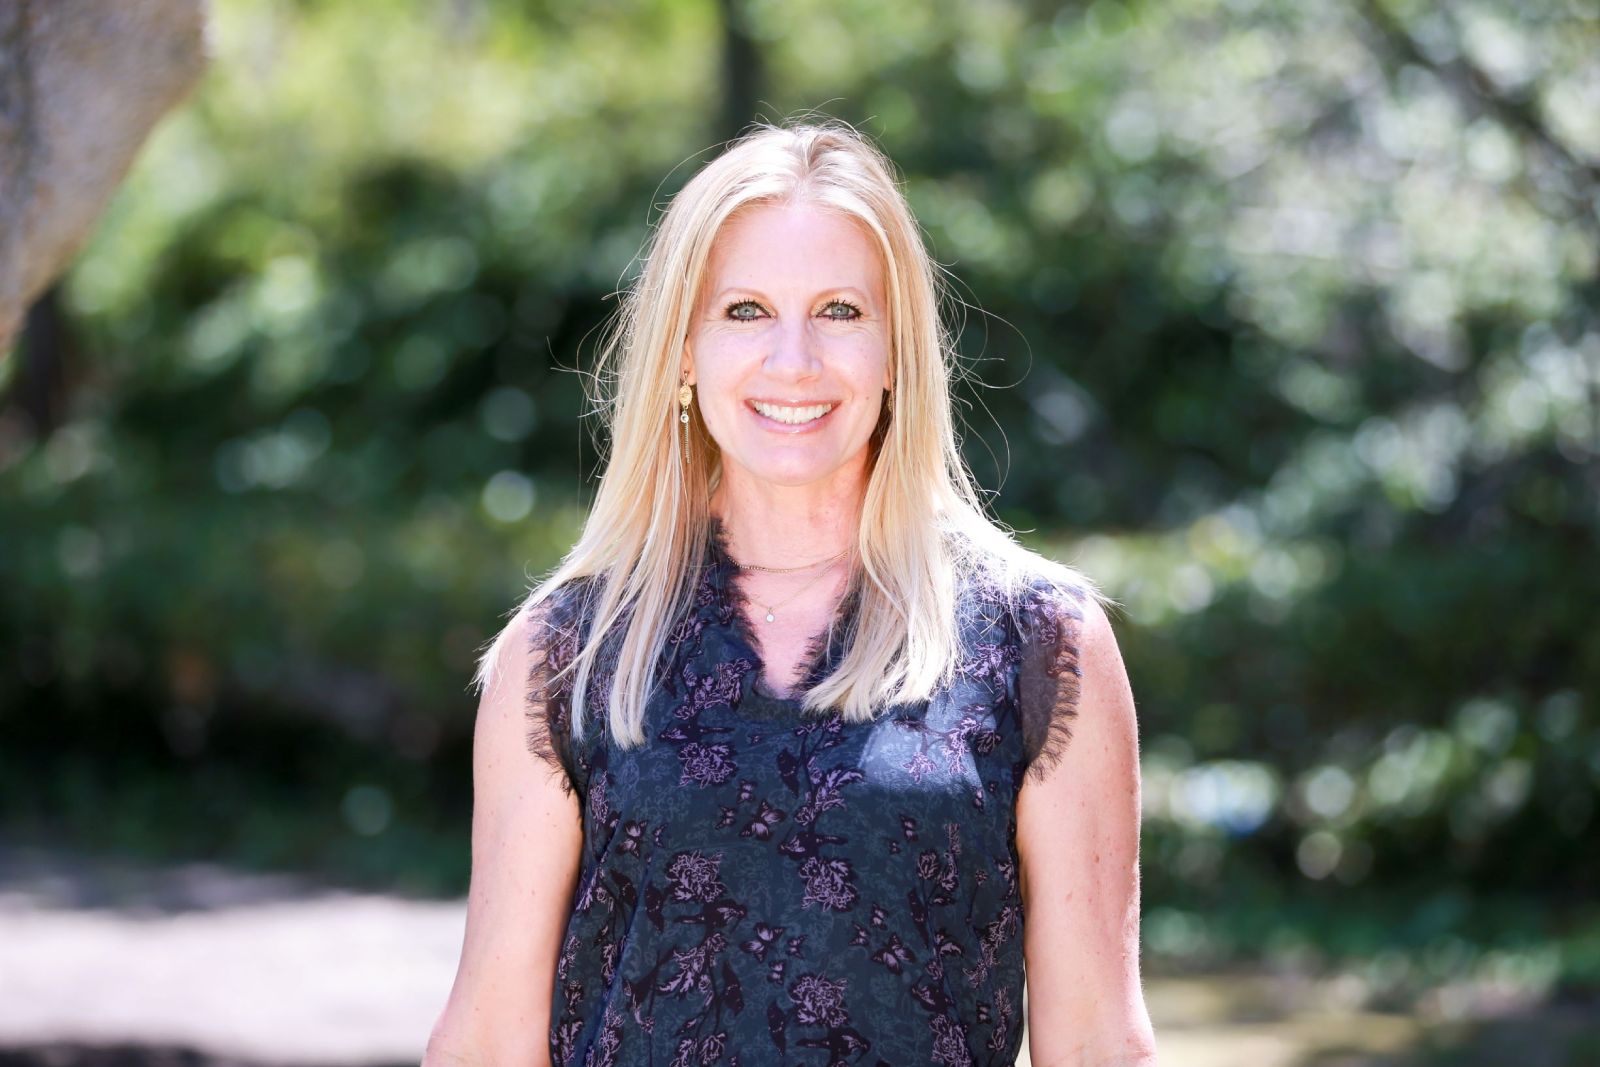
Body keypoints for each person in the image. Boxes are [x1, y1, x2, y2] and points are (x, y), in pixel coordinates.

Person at [425, 119, 1156, 1067]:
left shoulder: (1038, 643)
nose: (795, 360)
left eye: (841, 311)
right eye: (745, 311)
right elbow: (487, 1040)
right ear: (682, 350)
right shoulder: (568, 650)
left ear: (899, 351)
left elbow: (1100, 1044)